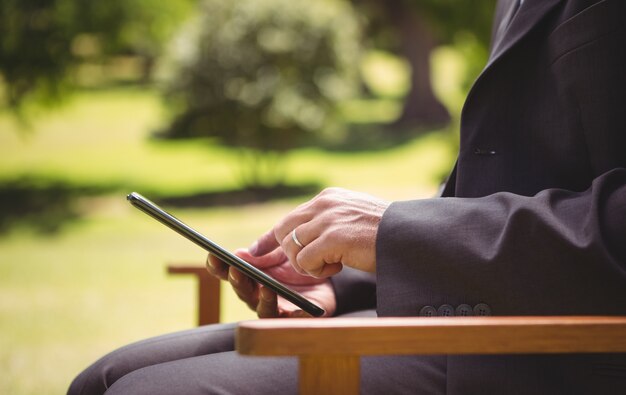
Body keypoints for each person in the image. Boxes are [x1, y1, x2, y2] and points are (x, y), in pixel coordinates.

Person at [68, 0, 626, 393]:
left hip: (563, 358)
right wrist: (342, 278)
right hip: (477, 314)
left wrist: (394, 232)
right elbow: (505, 182)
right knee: (102, 379)